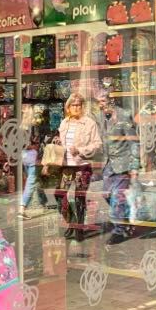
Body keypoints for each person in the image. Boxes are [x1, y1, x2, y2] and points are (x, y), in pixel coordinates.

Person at [56, 92, 102, 240]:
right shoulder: (64, 123)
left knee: (79, 198)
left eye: (79, 105)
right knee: (59, 195)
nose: (76, 107)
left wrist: (81, 150)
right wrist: (58, 142)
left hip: (82, 166)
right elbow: (62, 142)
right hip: (66, 166)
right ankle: (71, 222)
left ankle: (79, 230)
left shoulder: (89, 123)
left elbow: (97, 145)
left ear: (82, 107)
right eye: (73, 105)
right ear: (68, 107)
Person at [97, 91, 140, 244]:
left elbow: (133, 142)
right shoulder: (102, 117)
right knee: (106, 194)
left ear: (111, 100)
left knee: (117, 198)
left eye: (102, 101)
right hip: (108, 164)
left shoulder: (124, 115)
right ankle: (126, 217)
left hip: (123, 163)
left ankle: (119, 231)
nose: (100, 105)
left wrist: (134, 167)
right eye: (99, 102)